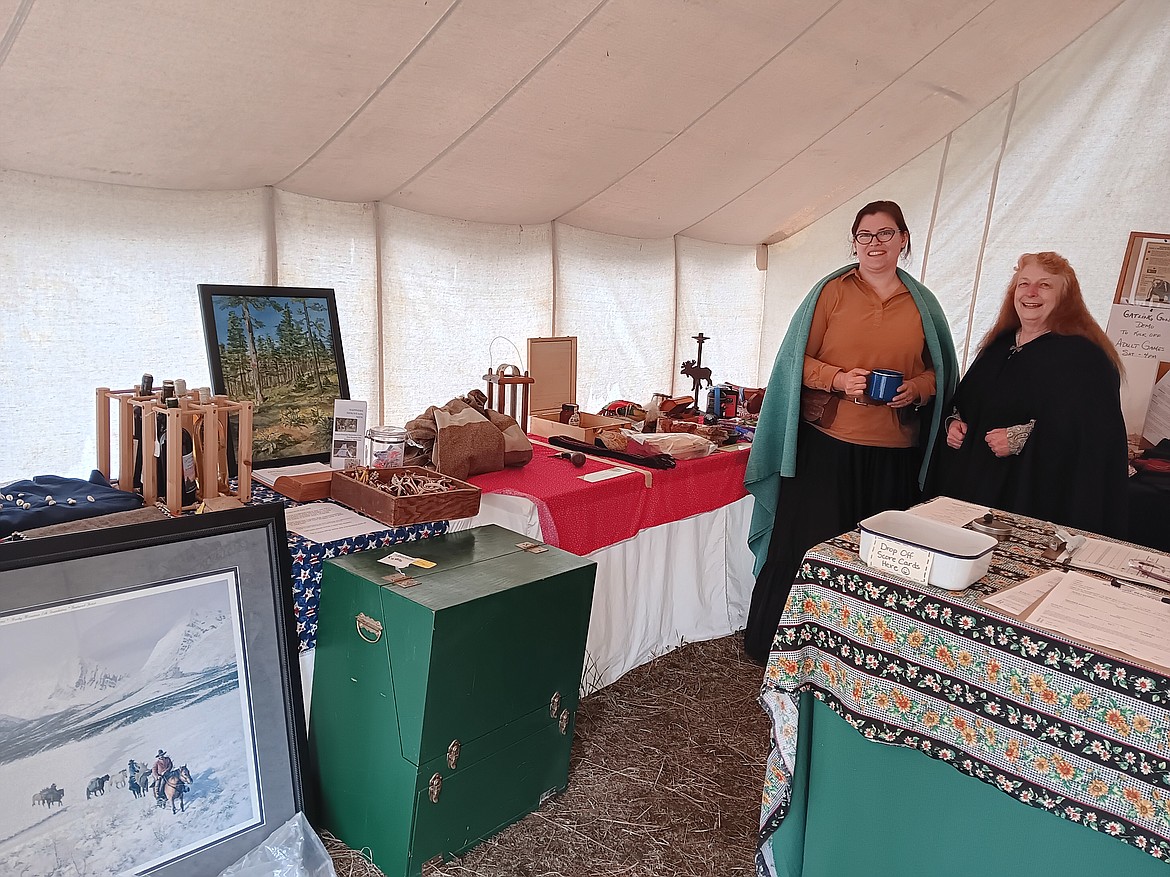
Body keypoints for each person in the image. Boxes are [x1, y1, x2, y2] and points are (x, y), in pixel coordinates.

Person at [743, 200, 958, 664]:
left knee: (878, 560)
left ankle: (861, 658)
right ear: (854, 241)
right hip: (827, 447)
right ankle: (781, 649)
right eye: (865, 235)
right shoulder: (831, 293)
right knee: (808, 549)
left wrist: (916, 391)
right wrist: (838, 380)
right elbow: (792, 362)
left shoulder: (923, 304)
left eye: (885, 234)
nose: (875, 243)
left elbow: (939, 372)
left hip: (895, 453)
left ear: (903, 239)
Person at [930, 251, 1128, 537]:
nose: (1031, 293)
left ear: (1066, 297)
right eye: (1024, 284)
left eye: (1045, 285)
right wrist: (954, 423)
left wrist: (1024, 438)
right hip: (974, 491)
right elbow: (966, 399)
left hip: (1033, 500)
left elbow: (1093, 438)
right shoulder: (998, 347)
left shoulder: (1085, 358)